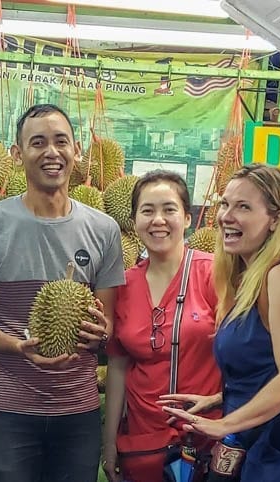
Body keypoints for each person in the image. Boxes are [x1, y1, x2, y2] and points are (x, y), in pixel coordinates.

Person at [0, 103, 124, 482]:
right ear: (18, 154)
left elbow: (109, 322)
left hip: (77, 409)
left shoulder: (105, 229)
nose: (51, 152)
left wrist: (101, 332)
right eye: (38, 143)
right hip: (9, 408)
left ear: (76, 150)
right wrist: (18, 347)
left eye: (61, 141)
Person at [163, 164, 280, 481]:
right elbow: (265, 365)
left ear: (276, 219)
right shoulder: (248, 281)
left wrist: (224, 424)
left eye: (243, 207)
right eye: (225, 204)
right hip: (252, 445)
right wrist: (218, 399)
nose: (226, 216)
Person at [100, 171, 221, 482]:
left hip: (206, 440)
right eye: (147, 210)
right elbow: (117, 366)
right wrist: (109, 441)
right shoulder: (123, 284)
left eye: (169, 209)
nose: (158, 220)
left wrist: (222, 400)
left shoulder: (214, 274)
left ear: (188, 218)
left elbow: (244, 355)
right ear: (134, 220)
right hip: (142, 444)